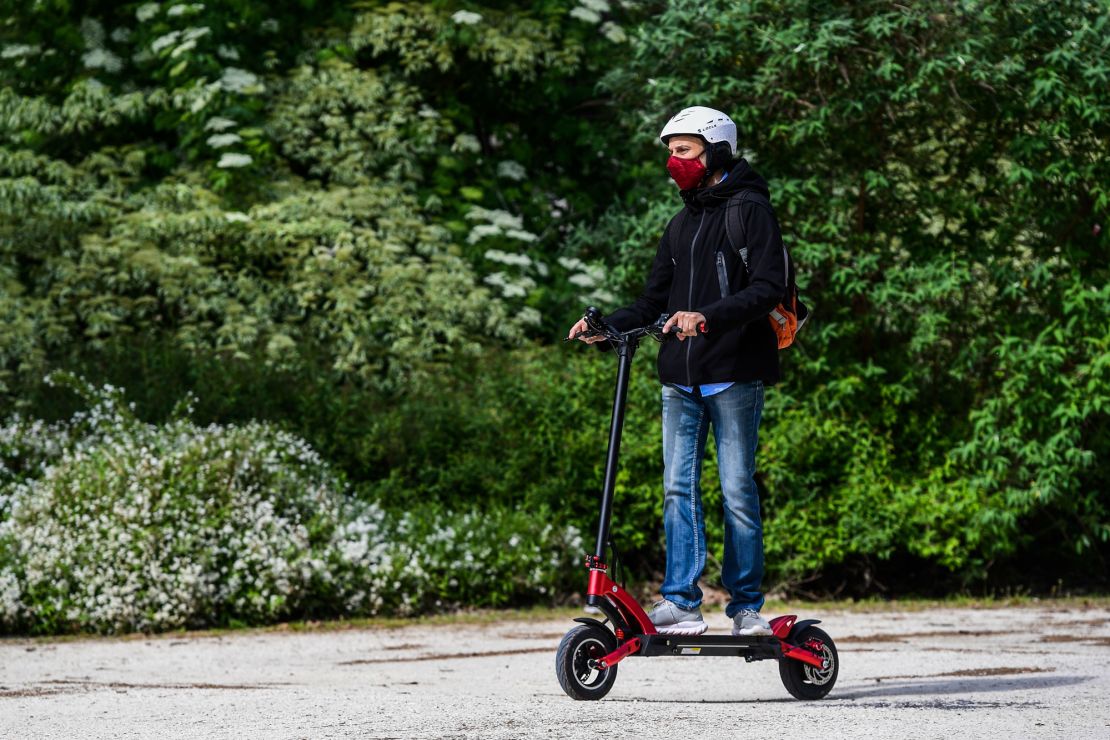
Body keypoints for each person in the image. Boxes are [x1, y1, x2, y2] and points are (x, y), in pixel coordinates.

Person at [567, 106, 787, 637]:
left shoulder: (750, 211)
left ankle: (746, 607)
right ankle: (682, 601)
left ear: (716, 151)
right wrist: (606, 326)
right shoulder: (681, 222)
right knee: (676, 489)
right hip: (679, 379)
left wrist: (707, 317)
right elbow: (652, 301)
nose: (674, 161)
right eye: (671, 151)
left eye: (684, 150)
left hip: (733, 371)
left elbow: (768, 288)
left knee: (737, 489)